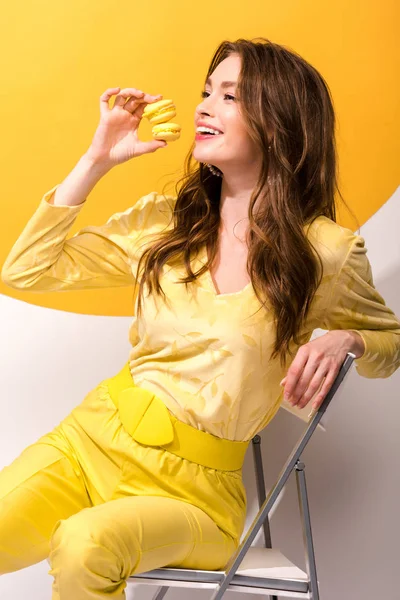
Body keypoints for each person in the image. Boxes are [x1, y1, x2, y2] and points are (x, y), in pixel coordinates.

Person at [1, 37, 399, 600]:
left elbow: (391, 343)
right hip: (90, 441)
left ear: (279, 120)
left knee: (86, 545)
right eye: (207, 91)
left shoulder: (326, 252)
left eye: (230, 96)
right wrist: (96, 160)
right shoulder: (166, 222)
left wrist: (347, 338)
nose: (204, 106)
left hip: (195, 497)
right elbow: (27, 270)